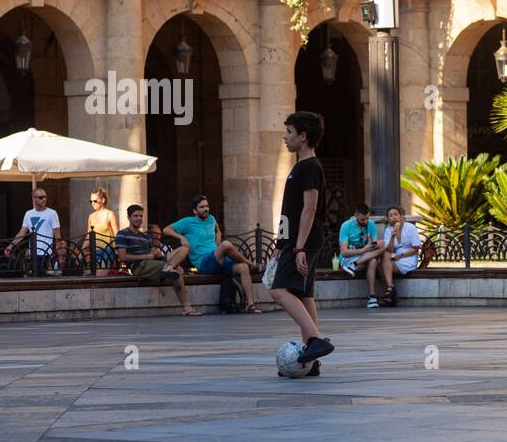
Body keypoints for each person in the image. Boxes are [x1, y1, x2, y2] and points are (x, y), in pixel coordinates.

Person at [269, 111, 333, 370]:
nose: (285, 137)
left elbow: (309, 209)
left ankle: (316, 340)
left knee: (279, 290)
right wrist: (279, 245)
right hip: (295, 241)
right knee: (304, 295)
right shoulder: (300, 167)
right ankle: (312, 357)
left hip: (302, 241)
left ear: (303, 136)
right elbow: (290, 211)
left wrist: (298, 248)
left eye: (289, 133)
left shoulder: (309, 167)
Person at [164, 194, 260, 314]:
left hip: (217, 258)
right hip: (203, 262)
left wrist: (217, 239)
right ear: (195, 210)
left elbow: (217, 231)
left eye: (207, 206)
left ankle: (250, 305)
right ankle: (252, 264)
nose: (206, 209)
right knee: (226, 245)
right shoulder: (187, 222)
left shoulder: (211, 219)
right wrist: (181, 237)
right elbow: (166, 230)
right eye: (202, 207)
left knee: (243, 268)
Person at [115, 204, 199, 315]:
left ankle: (169, 268)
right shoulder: (122, 234)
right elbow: (123, 256)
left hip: (153, 262)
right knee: (177, 272)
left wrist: (156, 253)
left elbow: (151, 254)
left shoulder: (145, 236)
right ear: (129, 218)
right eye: (136, 216)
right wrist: (147, 256)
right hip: (139, 266)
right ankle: (187, 307)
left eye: (141, 216)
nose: (139, 218)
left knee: (184, 248)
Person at [367, 206, 423, 307]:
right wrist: (392, 237)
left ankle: (390, 293)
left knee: (381, 266)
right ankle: (390, 288)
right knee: (381, 261)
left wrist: (400, 255)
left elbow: (416, 248)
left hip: (408, 257)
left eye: (396, 214)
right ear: (388, 219)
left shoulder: (410, 227)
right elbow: (389, 250)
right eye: (390, 216)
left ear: (400, 216)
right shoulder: (389, 230)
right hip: (394, 256)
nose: (393, 217)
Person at [4, 187, 62, 276]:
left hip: (46, 253)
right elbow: (22, 233)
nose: (44, 199)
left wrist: (59, 251)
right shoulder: (29, 214)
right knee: (32, 277)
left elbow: (57, 234)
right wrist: (11, 246)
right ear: (34, 199)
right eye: (41, 197)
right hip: (32, 253)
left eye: (45, 197)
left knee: (42, 278)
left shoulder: (52, 213)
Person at [338, 203, 383, 279]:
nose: (365, 221)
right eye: (362, 219)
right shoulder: (346, 226)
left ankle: (372, 291)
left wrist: (373, 245)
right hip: (348, 258)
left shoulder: (371, 224)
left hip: (363, 256)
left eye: (367, 218)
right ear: (355, 215)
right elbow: (344, 252)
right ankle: (351, 265)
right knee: (374, 261)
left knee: (383, 244)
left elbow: (375, 243)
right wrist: (362, 250)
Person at [86, 187, 119, 275]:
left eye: (95, 201)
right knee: (88, 274)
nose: (92, 203)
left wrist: (117, 252)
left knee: (99, 275)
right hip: (94, 251)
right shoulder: (91, 216)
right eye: (91, 201)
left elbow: (116, 234)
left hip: (107, 251)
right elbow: (88, 235)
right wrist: (80, 251)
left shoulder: (110, 214)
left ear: (103, 200)